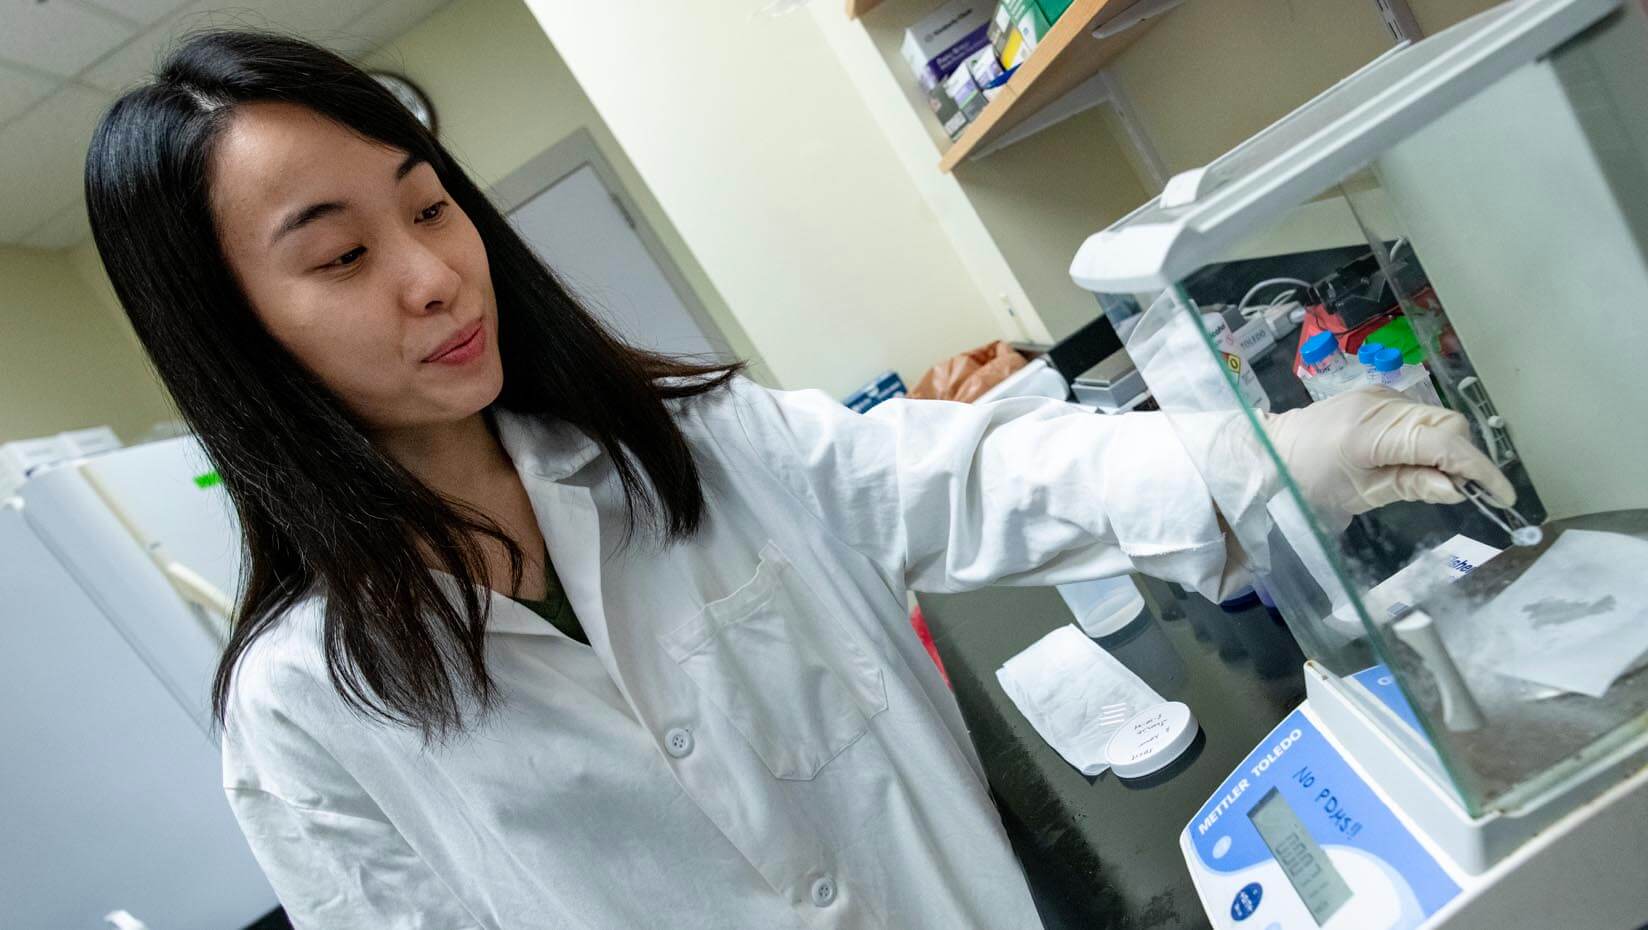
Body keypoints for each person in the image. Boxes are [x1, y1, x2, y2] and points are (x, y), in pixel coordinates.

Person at [83, 31, 1514, 930]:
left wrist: (1265, 455)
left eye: (428, 203)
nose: (431, 275)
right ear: (230, 330)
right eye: (339, 257)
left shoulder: (691, 450)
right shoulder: (302, 714)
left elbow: (974, 472)